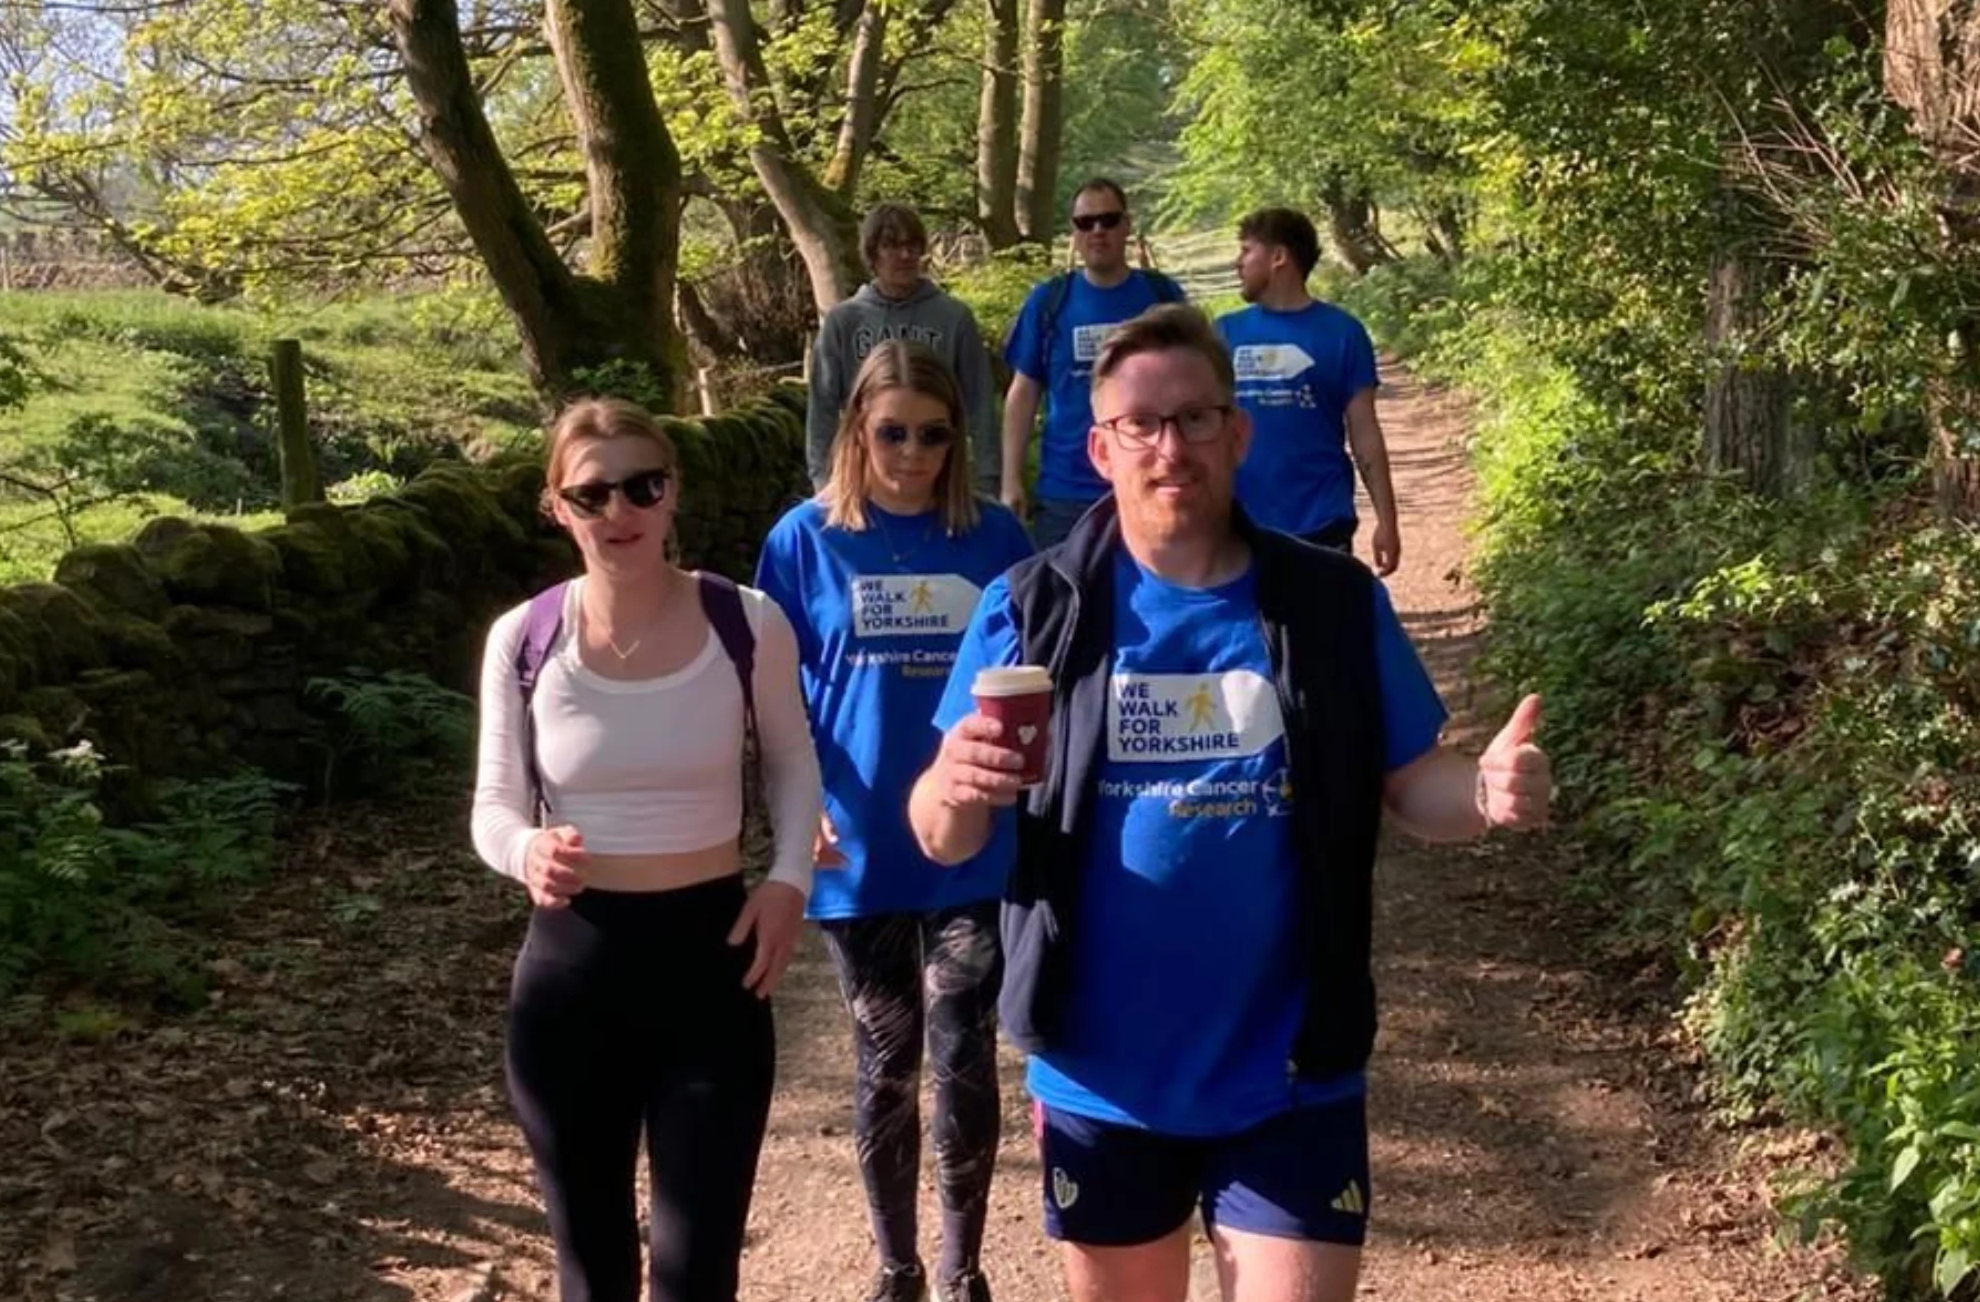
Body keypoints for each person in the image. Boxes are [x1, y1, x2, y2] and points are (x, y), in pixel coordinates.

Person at [907, 305, 1554, 1302]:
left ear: (1235, 431)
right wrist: (950, 782)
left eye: (1195, 418)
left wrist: (1480, 789)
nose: (1170, 446)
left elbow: (1411, 785)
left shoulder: (1330, 604)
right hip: (1101, 1076)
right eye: (1140, 424)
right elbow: (941, 834)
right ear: (1098, 446)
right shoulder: (1030, 608)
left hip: (1292, 1068)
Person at [470, 398, 824, 1302]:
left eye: (642, 487)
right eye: (592, 495)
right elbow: (495, 805)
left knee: (697, 1271)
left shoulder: (746, 624)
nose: (619, 512)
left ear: (674, 496)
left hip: (713, 969)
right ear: (558, 508)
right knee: (592, 1268)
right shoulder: (523, 639)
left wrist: (787, 882)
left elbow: (791, 763)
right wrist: (525, 853)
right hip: (571, 974)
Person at [757, 341, 1034, 1302]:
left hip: (973, 843)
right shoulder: (803, 540)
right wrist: (796, 819)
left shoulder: (997, 539)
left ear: (958, 439)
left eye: (933, 433)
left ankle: (963, 1269)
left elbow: (1036, 685)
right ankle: (897, 1266)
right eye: (891, 432)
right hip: (858, 841)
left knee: (963, 1050)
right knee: (886, 1057)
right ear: (855, 431)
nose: (912, 452)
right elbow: (773, 698)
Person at [998, 178, 1189, 548]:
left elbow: (1192, 386)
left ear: (1127, 226)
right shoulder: (1049, 301)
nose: (1097, 231)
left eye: (1108, 220)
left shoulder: (1162, 297)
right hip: (1065, 493)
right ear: (1073, 231)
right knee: (1065, 602)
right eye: (1085, 223)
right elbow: (1023, 392)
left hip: (1150, 481)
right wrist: (1011, 479)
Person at [1215, 208, 1401, 572]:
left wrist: (1388, 521)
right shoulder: (1222, 334)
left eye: (1246, 251)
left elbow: (1365, 434)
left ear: (1279, 257)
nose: (1238, 263)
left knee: (1325, 628)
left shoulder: (1343, 333)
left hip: (1322, 519)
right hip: (1239, 525)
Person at [808, 204, 1003, 499]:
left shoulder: (953, 317)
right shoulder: (844, 321)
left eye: (912, 246)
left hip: (937, 469)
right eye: (891, 245)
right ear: (872, 253)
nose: (905, 255)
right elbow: (822, 406)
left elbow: (979, 402)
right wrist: (823, 479)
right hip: (863, 472)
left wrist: (987, 479)